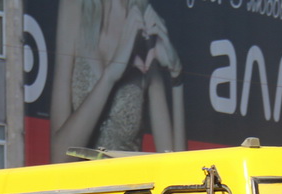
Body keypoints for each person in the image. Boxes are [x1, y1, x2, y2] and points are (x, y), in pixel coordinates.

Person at [49, 0, 185, 163]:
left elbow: (175, 167)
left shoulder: (146, 24)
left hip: (127, 185)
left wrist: (177, 77)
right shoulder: (73, 8)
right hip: (79, 187)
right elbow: (58, 157)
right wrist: (110, 76)